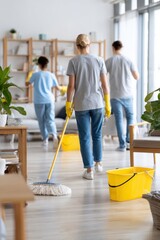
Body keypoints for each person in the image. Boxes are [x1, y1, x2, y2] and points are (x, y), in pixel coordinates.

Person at [65, 34, 111, 180]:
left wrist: (68, 103)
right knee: (97, 135)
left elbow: (71, 86)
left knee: (84, 137)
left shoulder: (73, 61)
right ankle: (99, 163)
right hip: (98, 104)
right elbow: (104, 85)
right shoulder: (99, 60)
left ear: (76, 46)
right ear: (89, 44)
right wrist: (107, 103)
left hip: (81, 105)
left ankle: (89, 170)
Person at [105, 40, 139, 152]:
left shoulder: (109, 61)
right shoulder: (128, 60)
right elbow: (136, 76)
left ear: (113, 48)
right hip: (128, 93)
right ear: (121, 47)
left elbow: (103, 76)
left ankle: (122, 145)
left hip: (115, 95)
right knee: (130, 118)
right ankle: (130, 142)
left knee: (119, 120)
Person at [29, 56, 66, 147]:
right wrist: (63, 90)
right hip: (50, 100)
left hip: (39, 101)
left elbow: (27, 83)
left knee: (41, 121)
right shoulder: (51, 75)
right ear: (46, 64)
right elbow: (57, 88)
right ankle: (54, 135)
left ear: (39, 64)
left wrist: (30, 74)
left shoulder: (35, 74)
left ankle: (45, 139)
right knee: (50, 119)